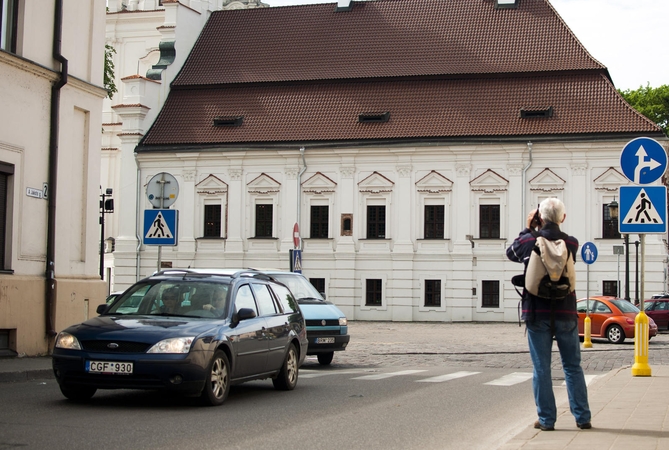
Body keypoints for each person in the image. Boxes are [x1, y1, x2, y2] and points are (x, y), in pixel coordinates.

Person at [506, 197, 591, 431]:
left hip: (536, 312)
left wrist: (528, 227)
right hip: (566, 312)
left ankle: (546, 420)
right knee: (573, 366)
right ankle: (582, 417)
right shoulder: (571, 243)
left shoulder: (528, 241)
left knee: (542, 368)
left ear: (540, 217)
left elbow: (510, 252)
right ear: (563, 218)